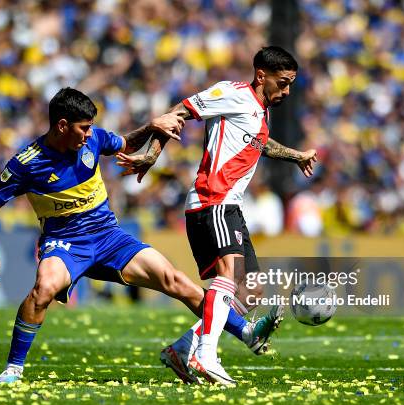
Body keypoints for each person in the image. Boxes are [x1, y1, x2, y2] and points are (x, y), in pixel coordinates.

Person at [0, 87, 281, 384]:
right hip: (67, 243)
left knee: (176, 280)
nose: (88, 134)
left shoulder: (93, 139)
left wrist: (151, 127)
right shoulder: (27, 163)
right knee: (42, 290)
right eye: (83, 129)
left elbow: (124, 142)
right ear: (62, 125)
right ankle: (13, 369)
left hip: (110, 238)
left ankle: (245, 332)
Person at [118, 46, 318, 385]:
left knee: (251, 292)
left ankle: (183, 349)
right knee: (227, 275)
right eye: (282, 83)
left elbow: (260, 144)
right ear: (261, 76)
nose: (286, 91)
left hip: (231, 206)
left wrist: (295, 155)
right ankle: (204, 354)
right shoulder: (232, 94)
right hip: (213, 200)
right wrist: (152, 153)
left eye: (290, 85)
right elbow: (178, 112)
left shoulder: (260, 112)